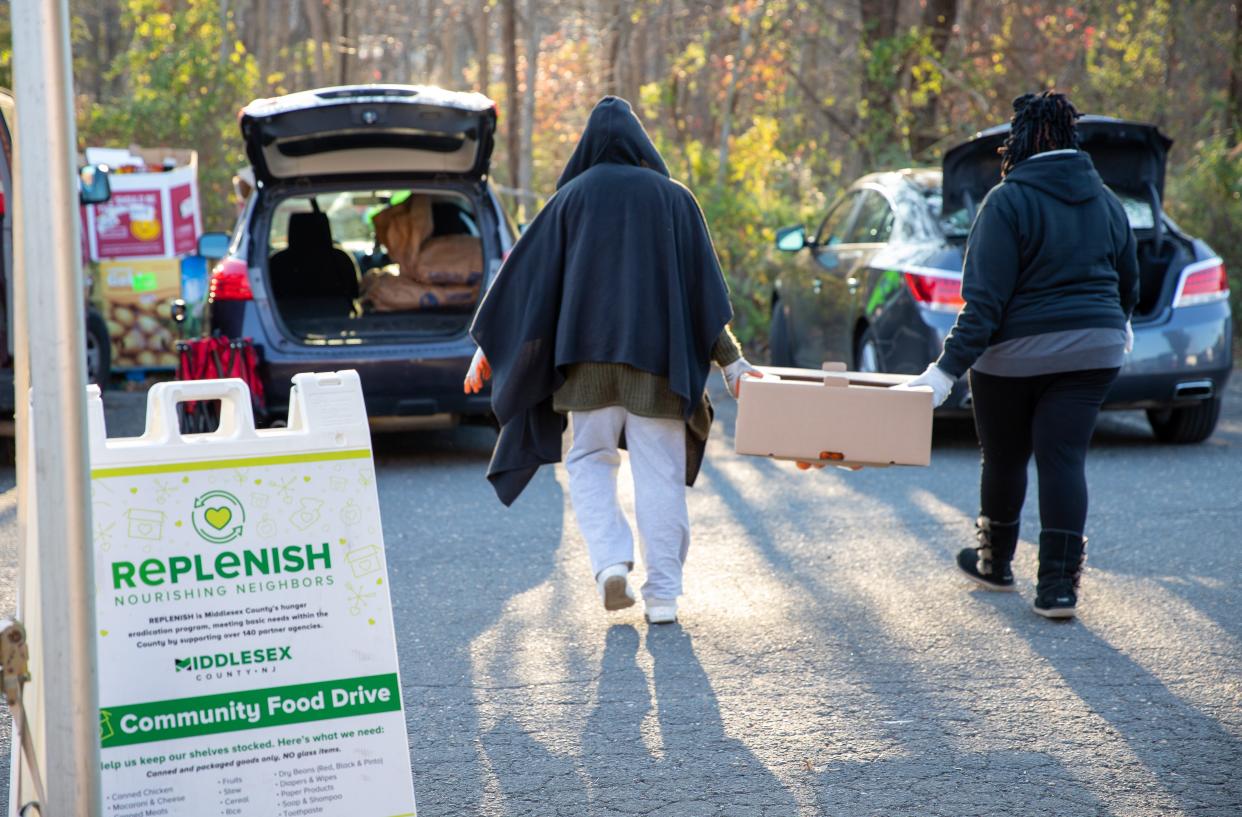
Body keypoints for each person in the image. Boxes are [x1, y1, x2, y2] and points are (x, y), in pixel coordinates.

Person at [464, 97, 759, 625]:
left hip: (585, 370)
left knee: (589, 462)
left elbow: (523, 286)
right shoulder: (675, 200)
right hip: (659, 367)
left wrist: (488, 349)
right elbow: (703, 293)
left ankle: (609, 565)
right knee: (659, 475)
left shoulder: (568, 201)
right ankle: (663, 597)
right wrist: (733, 363)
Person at [899, 91, 1139, 619]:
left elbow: (983, 305)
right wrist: (1118, 324)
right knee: (1063, 458)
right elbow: (1129, 279)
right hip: (1093, 352)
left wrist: (943, 373)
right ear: (1070, 139)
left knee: (1006, 456)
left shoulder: (1007, 201)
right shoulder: (1106, 200)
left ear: (1024, 140)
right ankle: (1057, 589)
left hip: (1012, 358)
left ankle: (995, 563)